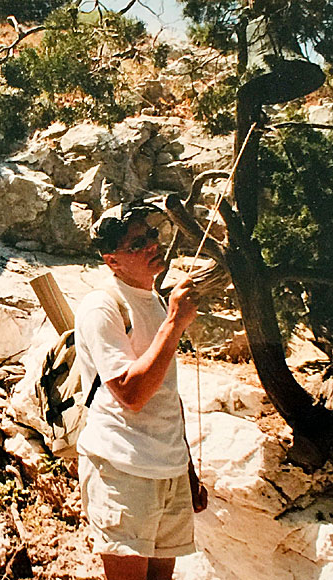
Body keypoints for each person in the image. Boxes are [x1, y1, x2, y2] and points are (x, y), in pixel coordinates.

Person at [75, 202, 208, 580]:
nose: (153, 245)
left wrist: (188, 470)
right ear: (112, 261)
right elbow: (131, 394)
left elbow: (167, 392)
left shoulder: (157, 302)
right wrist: (175, 324)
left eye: (152, 236)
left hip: (170, 471)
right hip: (124, 471)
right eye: (138, 243)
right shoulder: (102, 306)